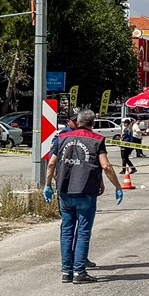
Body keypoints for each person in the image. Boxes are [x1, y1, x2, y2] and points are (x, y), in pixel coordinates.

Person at [43, 109, 122, 283]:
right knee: (83, 231)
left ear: (77, 122)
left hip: (64, 191)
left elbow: (51, 163)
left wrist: (47, 185)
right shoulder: (97, 140)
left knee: (66, 231)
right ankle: (79, 272)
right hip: (86, 192)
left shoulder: (61, 138)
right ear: (93, 123)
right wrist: (117, 186)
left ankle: (66, 271)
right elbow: (106, 166)